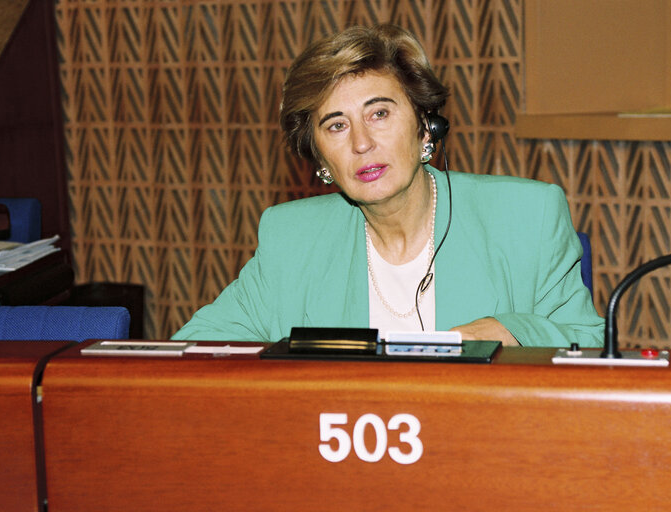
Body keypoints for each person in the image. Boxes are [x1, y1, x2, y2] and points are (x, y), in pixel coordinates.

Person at [172, 24, 604, 347]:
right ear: (320, 156)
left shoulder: (526, 216)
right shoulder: (291, 239)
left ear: (424, 126)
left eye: (379, 113)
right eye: (336, 126)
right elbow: (196, 349)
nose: (361, 143)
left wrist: (508, 332)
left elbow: (588, 342)